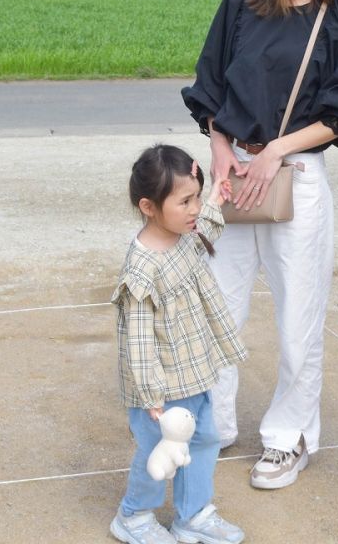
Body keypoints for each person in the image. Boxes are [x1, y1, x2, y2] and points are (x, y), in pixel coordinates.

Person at [181, 0, 338, 490]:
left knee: (299, 313)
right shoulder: (238, 7)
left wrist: (277, 148)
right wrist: (221, 152)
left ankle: (287, 436)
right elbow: (210, 91)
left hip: (295, 177)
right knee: (216, 307)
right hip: (233, 175)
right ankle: (211, 426)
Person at [111, 144, 248, 544]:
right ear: (148, 206)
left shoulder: (184, 234)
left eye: (196, 197)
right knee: (157, 451)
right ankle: (133, 516)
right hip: (159, 387)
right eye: (184, 200)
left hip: (194, 369)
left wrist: (215, 200)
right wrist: (151, 394)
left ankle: (193, 514)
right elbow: (138, 340)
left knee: (204, 439)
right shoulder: (142, 267)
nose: (193, 209)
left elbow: (206, 225)